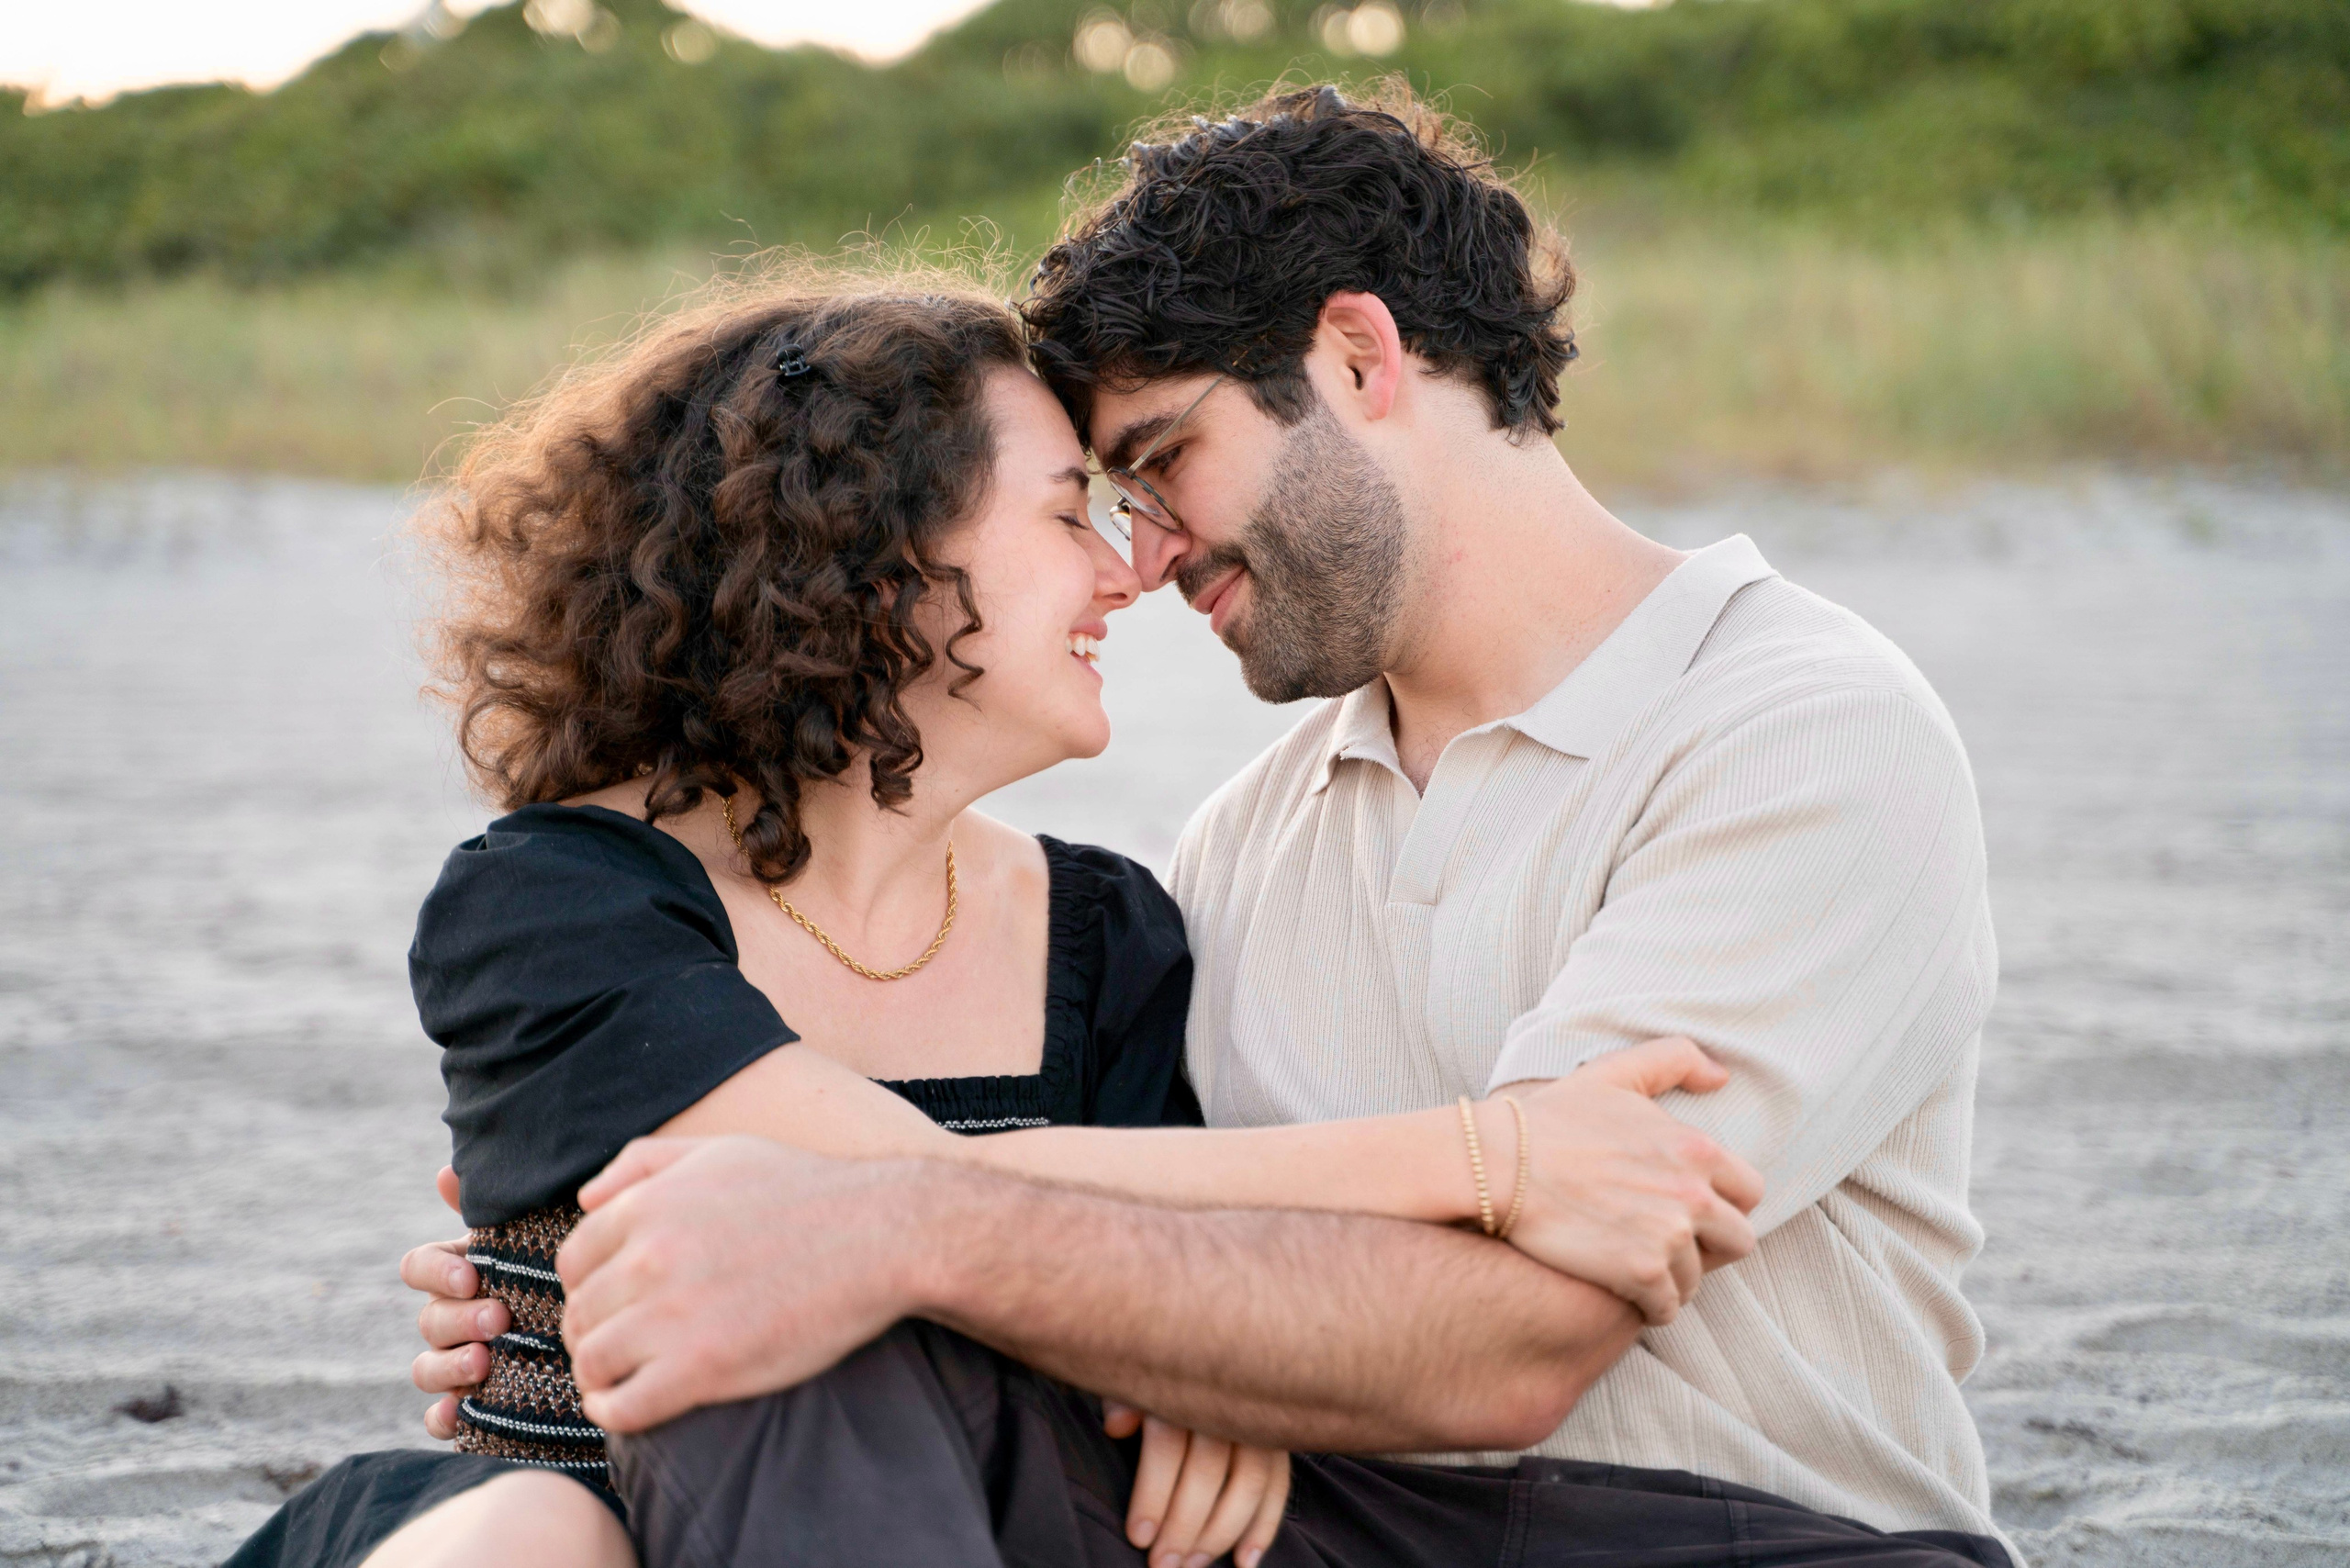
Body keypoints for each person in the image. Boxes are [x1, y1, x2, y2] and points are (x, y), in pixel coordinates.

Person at [412, 84, 2017, 1566]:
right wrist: (563, 1285)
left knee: (790, 1280)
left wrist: (874, 1228)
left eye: (1165, 462)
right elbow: (1131, 1233)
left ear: (1360, 359)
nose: (1148, 556)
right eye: (1099, 503)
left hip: (1726, 1537)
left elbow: (1516, 1339)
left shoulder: (1791, 732)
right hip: (1327, 1527)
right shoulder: (1246, 846)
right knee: (753, 1322)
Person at [228, 274, 1761, 1568]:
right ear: (874, 561)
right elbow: (876, 1200)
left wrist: (1203, 1362)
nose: (1124, 575)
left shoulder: (1109, 933)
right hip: (591, 1499)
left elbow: (1122, 1265)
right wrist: (1498, 1154)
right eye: (1066, 516)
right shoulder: (553, 902)